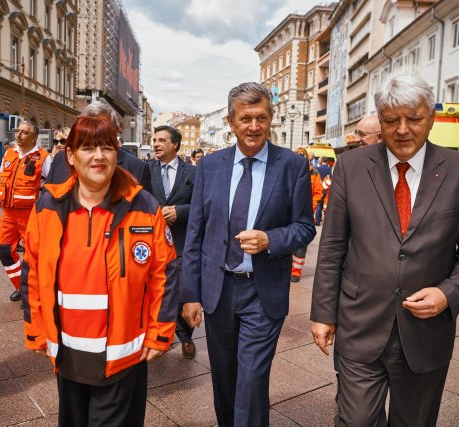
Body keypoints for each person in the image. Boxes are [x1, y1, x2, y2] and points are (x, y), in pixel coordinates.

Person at [311, 74, 459, 427]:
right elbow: (332, 246)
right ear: (380, 121)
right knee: (355, 421)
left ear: (432, 117)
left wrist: (447, 294)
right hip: (359, 324)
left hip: (426, 335)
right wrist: (323, 313)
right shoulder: (351, 166)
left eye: (414, 118)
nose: (402, 130)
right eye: (391, 120)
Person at [21, 115, 179, 426]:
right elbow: (33, 273)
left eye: (107, 148)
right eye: (88, 148)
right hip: (68, 353)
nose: (99, 156)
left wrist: (160, 334)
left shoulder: (144, 206)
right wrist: (35, 329)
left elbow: (165, 273)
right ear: (70, 155)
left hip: (124, 355)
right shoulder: (48, 206)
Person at [181, 82, 316, 426]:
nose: (254, 126)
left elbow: (305, 227)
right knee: (224, 380)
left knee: (252, 382)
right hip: (218, 290)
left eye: (261, 118)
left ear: (270, 118)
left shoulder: (292, 165)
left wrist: (270, 239)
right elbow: (195, 233)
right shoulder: (210, 166)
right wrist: (190, 294)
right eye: (245, 119)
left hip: (262, 290)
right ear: (231, 122)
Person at [149, 125, 198, 358]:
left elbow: (201, 204)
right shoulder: (146, 169)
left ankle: (185, 337)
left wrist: (180, 211)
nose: (156, 144)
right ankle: (162, 335)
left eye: (161, 140)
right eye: (154, 140)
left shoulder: (193, 172)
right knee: (158, 292)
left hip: (181, 242)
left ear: (175, 144)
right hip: (152, 243)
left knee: (181, 291)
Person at [0, 120, 51, 302]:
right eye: (17, 131)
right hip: (8, 213)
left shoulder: (43, 158)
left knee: (32, 255)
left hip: (31, 215)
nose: (18, 135)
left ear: (34, 137)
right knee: (4, 250)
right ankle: (21, 285)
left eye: (24, 132)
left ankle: (32, 291)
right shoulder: (9, 153)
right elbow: (1, 177)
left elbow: (52, 186)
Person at [46, 102, 152, 194]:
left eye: (102, 127)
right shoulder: (60, 159)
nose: (95, 131)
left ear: (115, 131)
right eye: (88, 127)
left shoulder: (137, 168)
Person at [291, 147, 323, 283]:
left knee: (301, 244)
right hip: (289, 213)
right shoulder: (289, 171)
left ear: (307, 157)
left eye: (302, 154)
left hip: (305, 214)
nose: (300, 156)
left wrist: (310, 207)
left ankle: (296, 271)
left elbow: (318, 193)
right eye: (298, 154)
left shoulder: (314, 173)